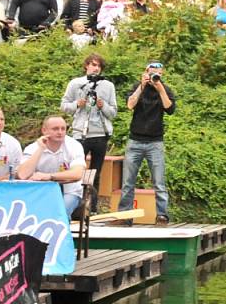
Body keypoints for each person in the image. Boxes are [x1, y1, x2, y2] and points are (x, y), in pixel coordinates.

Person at [115, 62, 176, 226]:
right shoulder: (138, 86)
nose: (155, 77)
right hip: (135, 140)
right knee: (128, 182)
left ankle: (162, 216)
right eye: (152, 73)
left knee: (159, 182)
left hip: (155, 142)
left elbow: (169, 109)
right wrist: (142, 86)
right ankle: (124, 216)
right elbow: (130, 105)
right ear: (145, 72)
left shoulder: (165, 89)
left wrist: (160, 87)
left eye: (159, 74)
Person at [61, 54, 118, 213]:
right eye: (93, 65)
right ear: (86, 65)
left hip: (100, 133)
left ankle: (92, 208)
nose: (96, 68)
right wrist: (76, 104)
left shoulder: (108, 85)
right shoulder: (76, 83)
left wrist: (103, 106)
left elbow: (113, 112)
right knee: (76, 171)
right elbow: (64, 106)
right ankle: (75, 207)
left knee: (96, 173)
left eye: (99, 66)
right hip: (80, 134)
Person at [18, 116, 86, 217]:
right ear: (44, 130)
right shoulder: (32, 148)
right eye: (55, 129)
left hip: (69, 192)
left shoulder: (74, 146)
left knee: (59, 213)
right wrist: (40, 149)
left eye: (63, 129)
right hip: (40, 193)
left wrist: (49, 176)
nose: (60, 132)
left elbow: (77, 174)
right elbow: (22, 175)